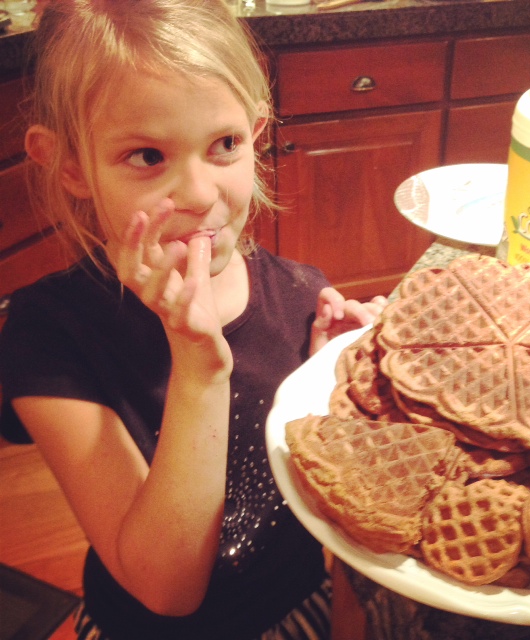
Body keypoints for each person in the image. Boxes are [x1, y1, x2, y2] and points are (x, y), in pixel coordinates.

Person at [0, 1, 387, 638]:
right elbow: (166, 589)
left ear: (256, 133)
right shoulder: (49, 336)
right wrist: (199, 368)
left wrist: (340, 385)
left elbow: (331, 506)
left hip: (299, 604)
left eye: (224, 145)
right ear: (70, 164)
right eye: (147, 156)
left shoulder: (301, 294)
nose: (202, 193)